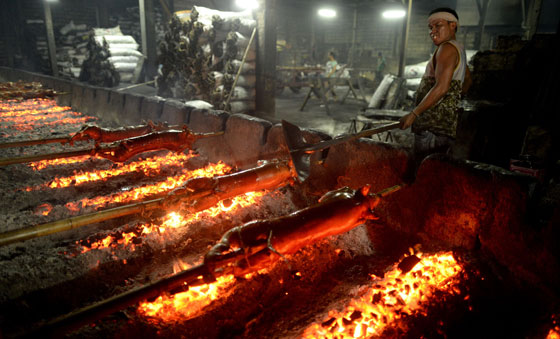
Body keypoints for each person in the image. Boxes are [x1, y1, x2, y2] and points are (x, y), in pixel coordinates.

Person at [399, 7, 472, 167]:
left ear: (453, 25)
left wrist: (414, 114)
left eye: (438, 25)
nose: (432, 31)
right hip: (444, 126)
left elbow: (441, 87)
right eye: (430, 28)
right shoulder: (458, 48)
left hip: (431, 126)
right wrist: (451, 105)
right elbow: (467, 79)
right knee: (435, 171)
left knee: (421, 170)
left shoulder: (446, 49)